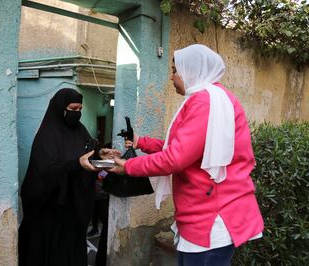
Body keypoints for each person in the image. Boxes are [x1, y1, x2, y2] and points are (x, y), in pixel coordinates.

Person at [109, 44, 264, 266]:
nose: (171, 77)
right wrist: (140, 142)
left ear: (192, 70)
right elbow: (185, 148)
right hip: (208, 212)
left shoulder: (204, 101)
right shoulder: (213, 97)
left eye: (175, 70)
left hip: (211, 217)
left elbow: (176, 158)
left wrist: (128, 167)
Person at [18, 88, 119, 266]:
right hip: (50, 211)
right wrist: (76, 164)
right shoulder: (47, 135)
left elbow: (87, 155)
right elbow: (47, 171)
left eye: (80, 109)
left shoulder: (80, 130)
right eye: (73, 109)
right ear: (60, 108)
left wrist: (100, 154)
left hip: (74, 208)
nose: (77, 114)